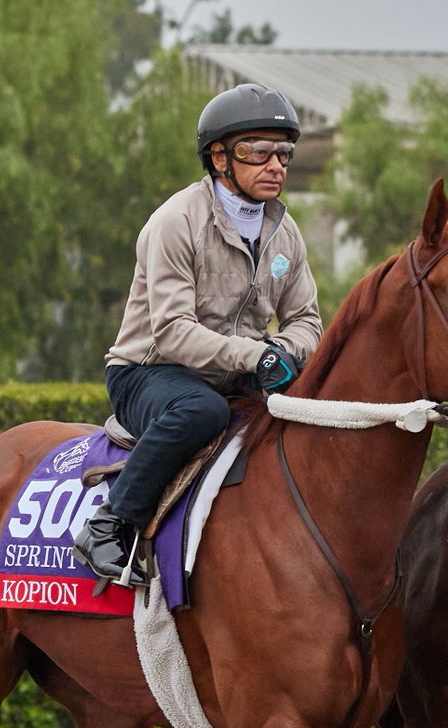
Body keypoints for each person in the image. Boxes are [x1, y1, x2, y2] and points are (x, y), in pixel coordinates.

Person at [72, 83, 322, 587]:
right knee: (200, 412)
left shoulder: (285, 233)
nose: (275, 165)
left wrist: (279, 352)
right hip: (149, 371)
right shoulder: (174, 221)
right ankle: (111, 523)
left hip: (235, 372)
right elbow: (172, 333)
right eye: (257, 151)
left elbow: (308, 322)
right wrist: (257, 356)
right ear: (219, 157)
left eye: (284, 154)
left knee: (309, 412)